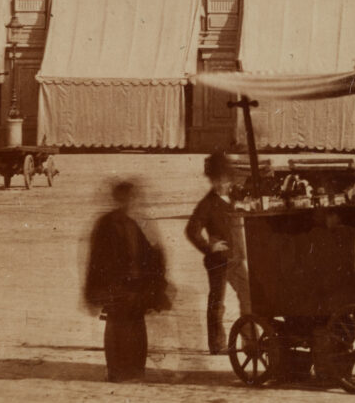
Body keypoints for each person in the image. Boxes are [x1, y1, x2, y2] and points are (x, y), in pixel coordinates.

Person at [82, 178, 169, 383]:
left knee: (137, 325)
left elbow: (148, 253)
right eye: (125, 200)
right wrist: (95, 289)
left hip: (136, 285)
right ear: (117, 200)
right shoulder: (106, 224)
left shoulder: (133, 224)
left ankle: (137, 370)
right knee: (116, 326)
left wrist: (156, 276)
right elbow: (96, 259)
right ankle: (115, 370)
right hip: (115, 286)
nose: (129, 203)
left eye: (131, 200)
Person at [183, 153, 241, 356]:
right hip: (219, 260)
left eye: (225, 178)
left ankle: (249, 339)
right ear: (212, 179)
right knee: (217, 302)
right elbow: (191, 230)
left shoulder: (236, 198)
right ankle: (217, 344)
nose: (222, 183)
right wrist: (209, 247)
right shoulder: (207, 204)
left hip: (238, 259)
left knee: (248, 298)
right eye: (217, 179)